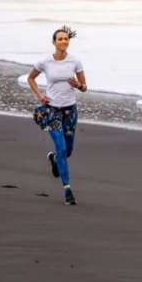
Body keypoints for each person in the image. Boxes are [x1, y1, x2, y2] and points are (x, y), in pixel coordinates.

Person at [27, 25, 87, 206]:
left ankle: (53, 159)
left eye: (65, 39)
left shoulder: (75, 62)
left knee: (67, 151)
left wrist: (78, 85)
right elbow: (31, 78)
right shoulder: (45, 62)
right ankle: (67, 189)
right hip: (52, 110)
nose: (63, 41)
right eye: (60, 39)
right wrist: (39, 95)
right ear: (54, 42)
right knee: (61, 148)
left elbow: (85, 87)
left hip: (70, 111)